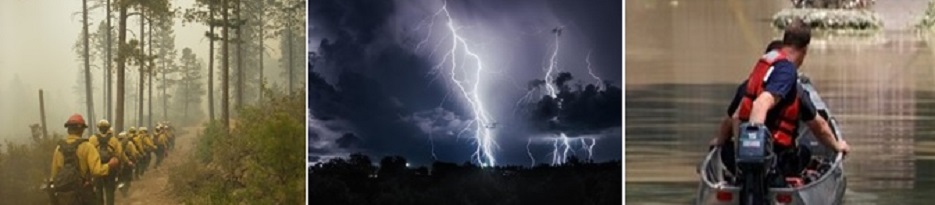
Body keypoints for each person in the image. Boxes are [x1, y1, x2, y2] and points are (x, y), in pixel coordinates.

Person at [710, 20, 849, 183]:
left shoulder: (760, 72)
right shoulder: (787, 72)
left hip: (742, 159)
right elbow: (819, 126)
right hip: (774, 160)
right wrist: (838, 146)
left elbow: (735, 117)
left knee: (727, 150)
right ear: (804, 50)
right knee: (805, 151)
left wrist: (721, 143)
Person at [49, 114, 119, 205]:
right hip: (83, 193)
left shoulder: (58, 149)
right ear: (81, 130)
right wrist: (109, 165)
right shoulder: (87, 147)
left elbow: (54, 174)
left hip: (64, 195)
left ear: (68, 129)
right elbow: (96, 171)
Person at [88, 120, 130, 205]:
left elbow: (88, 154)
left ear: (99, 128)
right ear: (108, 128)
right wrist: (126, 162)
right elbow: (119, 154)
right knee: (110, 192)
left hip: (97, 169)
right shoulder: (113, 140)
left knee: (98, 192)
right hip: (111, 169)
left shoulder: (92, 139)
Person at [116, 131, 139, 197]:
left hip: (118, 164)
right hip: (127, 162)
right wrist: (134, 160)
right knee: (128, 178)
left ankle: (120, 187)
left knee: (120, 178)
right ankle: (125, 190)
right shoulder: (129, 144)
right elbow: (134, 153)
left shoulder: (116, 144)